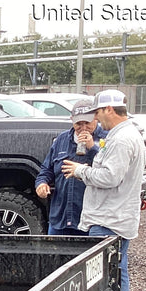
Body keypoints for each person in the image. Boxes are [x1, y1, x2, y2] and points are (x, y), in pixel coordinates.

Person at [61, 89, 146, 291]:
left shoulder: (121, 139)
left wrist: (80, 170)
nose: (97, 118)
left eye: (97, 112)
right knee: (117, 273)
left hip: (109, 218)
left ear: (109, 110)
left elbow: (110, 177)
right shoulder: (123, 135)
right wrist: (94, 148)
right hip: (116, 217)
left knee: (104, 276)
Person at [35, 97, 106, 235]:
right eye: (78, 123)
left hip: (91, 221)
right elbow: (46, 170)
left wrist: (92, 148)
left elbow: (109, 171)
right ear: (72, 120)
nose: (83, 128)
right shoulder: (62, 139)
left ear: (96, 118)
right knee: (55, 255)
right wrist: (41, 184)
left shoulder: (106, 138)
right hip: (60, 219)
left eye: (87, 122)